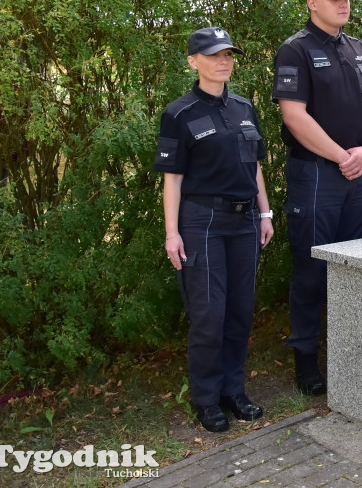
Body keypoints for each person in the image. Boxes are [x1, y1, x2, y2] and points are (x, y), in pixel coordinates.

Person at [272, 0, 362, 397]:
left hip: (359, 172)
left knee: (355, 266)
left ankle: (352, 355)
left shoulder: (358, 49)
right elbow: (294, 115)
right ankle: (306, 357)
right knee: (311, 269)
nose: (344, 3)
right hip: (318, 175)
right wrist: (343, 156)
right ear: (311, 2)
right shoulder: (295, 50)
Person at [155, 27, 274, 432]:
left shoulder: (243, 107)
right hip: (201, 222)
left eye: (228, 55)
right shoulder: (180, 113)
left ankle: (233, 392)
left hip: (243, 223)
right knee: (209, 315)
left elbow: (254, 166)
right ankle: (206, 400)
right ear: (193, 62)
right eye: (214, 55)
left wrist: (265, 213)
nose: (224, 61)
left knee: (240, 311)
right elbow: (172, 178)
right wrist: (172, 234)